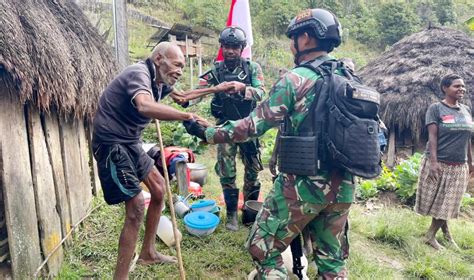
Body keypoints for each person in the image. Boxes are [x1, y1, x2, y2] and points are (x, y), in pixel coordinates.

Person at [184, 9, 354, 279]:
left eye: (294, 38)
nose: (291, 44)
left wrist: (208, 133)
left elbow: (252, 126)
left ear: (306, 38)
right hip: (344, 187)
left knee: (263, 249)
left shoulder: (295, 79)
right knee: (332, 262)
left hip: (303, 186)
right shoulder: (349, 77)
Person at [92, 42, 208, 279]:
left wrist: (220, 89)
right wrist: (186, 116)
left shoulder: (159, 83)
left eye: (183, 67)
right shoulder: (139, 74)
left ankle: (148, 253)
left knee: (158, 189)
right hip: (111, 142)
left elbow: (183, 96)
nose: (179, 70)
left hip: (130, 142)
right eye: (176, 64)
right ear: (158, 59)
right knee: (135, 207)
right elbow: (144, 105)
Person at [177, 26, 266, 231]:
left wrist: (243, 88)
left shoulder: (252, 68)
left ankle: (249, 213)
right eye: (227, 46)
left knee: (252, 172)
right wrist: (185, 102)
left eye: (235, 47)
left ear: (242, 48)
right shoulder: (215, 71)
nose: (231, 51)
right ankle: (232, 215)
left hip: (249, 128)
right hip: (224, 130)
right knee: (227, 173)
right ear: (222, 47)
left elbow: (261, 92)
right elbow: (199, 92)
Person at [415, 73, 472, 250]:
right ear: (445, 88)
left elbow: (468, 138)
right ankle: (430, 236)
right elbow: (432, 137)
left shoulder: (466, 110)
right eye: (456, 86)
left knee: (449, 201)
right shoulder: (436, 109)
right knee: (440, 200)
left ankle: (443, 233)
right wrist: (433, 162)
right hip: (439, 162)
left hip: (459, 165)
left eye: (462, 86)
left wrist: (471, 161)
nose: (461, 89)